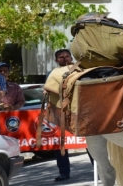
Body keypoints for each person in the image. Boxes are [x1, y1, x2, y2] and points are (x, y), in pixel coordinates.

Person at [52, 49, 73, 182]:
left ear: (71, 57)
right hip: (60, 113)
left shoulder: (80, 70)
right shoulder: (53, 74)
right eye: (61, 57)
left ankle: (99, 170)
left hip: (79, 111)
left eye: (66, 56)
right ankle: (64, 172)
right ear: (56, 60)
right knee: (60, 144)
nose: (64, 59)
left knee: (90, 142)